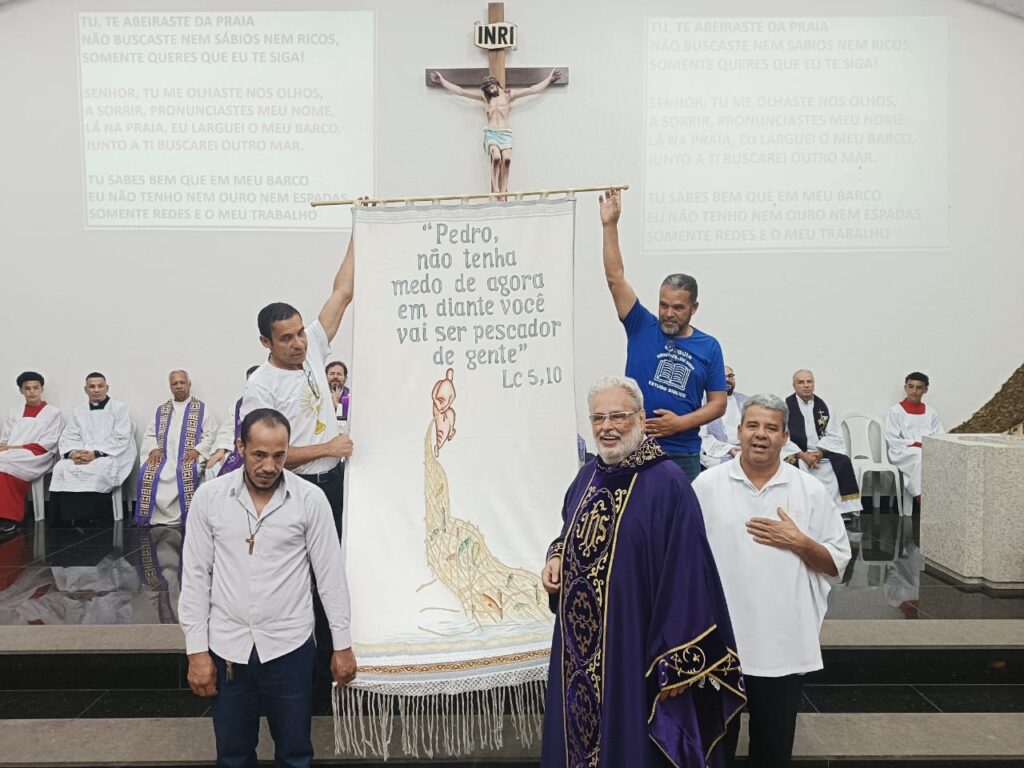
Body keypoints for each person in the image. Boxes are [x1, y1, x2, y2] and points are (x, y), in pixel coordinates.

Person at [540, 376, 744, 768]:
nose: (607, 426)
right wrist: (556, 557)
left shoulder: (667, 483)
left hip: (632, 651)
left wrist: (673, 660)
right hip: (578, 653)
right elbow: (569, 533)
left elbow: (688, 575)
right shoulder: (588, 476)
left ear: (640, 417)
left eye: (618, 415)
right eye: (598, 417)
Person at [179, 408, 356, 767]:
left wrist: (342, 645)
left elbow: (330, 576)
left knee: (294, 753)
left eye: (279, 455)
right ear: (240, 447)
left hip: (289, 648)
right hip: (228, 648)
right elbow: (195, 576)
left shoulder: (309, 500)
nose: (269, 466)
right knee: (233, 754)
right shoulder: (210, 498)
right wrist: (196, 651)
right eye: (259, 454)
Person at [693, 393, 851, 767]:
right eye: (752, 426)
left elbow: (835, 564)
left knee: (773, 749)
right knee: (715, 749)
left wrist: (799, 542)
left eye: (771, 428)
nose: (760, 435)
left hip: (782, 642)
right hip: (720, 644)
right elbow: (682, 559)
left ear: (784, 437)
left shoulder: (809, 490)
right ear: (739, 431)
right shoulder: (707, 486)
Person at [240, 233, 355, 714]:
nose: (298, 343)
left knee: (336, 576)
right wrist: (328, 447)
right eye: (285, 338)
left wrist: (359, 229)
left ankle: (336, 670)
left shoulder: (310, 351)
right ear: (266, 342)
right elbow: (268, 457)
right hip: (298, 491)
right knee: (302, 585)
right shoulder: (261, 387)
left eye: (300, 334)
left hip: (335, 482)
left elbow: (342, 291)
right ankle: (303, 691)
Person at [598, 189, 728, 482]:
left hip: (682, 453)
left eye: (678, 308)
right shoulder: (642, 325)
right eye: (664, 305)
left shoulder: (709, 346)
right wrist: (610, 226)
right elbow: (615, 277)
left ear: (694, 308)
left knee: (676, 524)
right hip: (634, 446)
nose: (668, 313)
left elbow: (718, 403)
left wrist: (680, 424)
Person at [430, 69, 562, 195]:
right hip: (492, 133)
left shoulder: (509, 95)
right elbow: (461, 92)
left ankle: (504, 189)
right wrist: (443, 81)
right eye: (487, 88)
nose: (489, 89)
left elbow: (531, 90)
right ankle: (496, 188)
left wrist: (549, 79)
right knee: (497, 158)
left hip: (505, 133)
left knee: (507, 160)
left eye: (490, 86)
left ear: (496, 83)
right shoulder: (485, 98)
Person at [49, 372, 136, 526]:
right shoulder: (79, 411)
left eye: (100, 386)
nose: (96, 390)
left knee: (99, 468)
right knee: (61, 467)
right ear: (85, 389)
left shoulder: (119, 408)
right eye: (92, 386)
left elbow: (121, 437)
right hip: (83, 453)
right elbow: (70, 435)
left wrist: (96, 454)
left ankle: (96, 517)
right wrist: (73, 453)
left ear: (106, 388)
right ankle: (66, 518)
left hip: (110, 454)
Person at [133, 370, 218, 526]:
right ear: (170, 387)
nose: (179, 386)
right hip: (163, 458)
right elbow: (150, 435)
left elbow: (210, 435)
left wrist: (197, 450)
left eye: (182, 382)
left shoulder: (201, 409)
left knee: (184, 471)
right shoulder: (161, 410)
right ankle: (151, 517)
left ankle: (188, 517)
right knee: (148, 472)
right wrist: (154, 449)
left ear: (189, 384)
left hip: (187, 457)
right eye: (175, 383)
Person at [783, 369, 863, 516]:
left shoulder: (824, 406)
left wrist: (820, 452)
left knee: (842, 462)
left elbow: (834, 434)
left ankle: (837, 511)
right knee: (798, 467)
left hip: (821, 452)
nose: (806, 385)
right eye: (801, 382)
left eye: (809, 381)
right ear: (794, 386)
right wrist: (802, 455)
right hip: (797, 453)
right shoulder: (785, 407)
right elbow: (782, 437)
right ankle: (804, 511)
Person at [0, 372, 64, 539]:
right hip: (13, 453)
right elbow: (5, 438)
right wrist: (5, 446)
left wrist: (14, 447)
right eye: (27, 388)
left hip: (38, 455)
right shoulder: (14, 412)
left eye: (36, 388)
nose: (32, 392)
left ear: (42, 388)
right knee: (3, 459)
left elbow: (50, 442)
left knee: (4, 460)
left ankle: (9, 518)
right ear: (21, 391)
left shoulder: (52, 413)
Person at [885, 371, 944, 503]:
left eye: (919, 388)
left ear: (925, 390)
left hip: (928, 447)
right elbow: (892, 437)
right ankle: (920, 496)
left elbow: (939, 434)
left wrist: (930, 445)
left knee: (943, 458)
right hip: (903, 451)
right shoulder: (895, 411)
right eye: (911, 387)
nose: (914, 391)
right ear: (905, 388)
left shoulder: (931, 412)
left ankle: (941, 498)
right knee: (919, 457)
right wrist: (916, 444)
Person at [206, 365, 260, 479]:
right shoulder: (238, 405)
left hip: (263, 451)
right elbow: (228, 429)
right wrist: (221, 449)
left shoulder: (274, 403)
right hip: (240, 450)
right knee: (213, 468)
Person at [700, 365, 747, 468]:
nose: (727, 380)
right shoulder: (704, 403)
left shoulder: (746, 401)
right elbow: (702, 436)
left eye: (730, 376)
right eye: (722, 376)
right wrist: (729, 449)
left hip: (746, 450)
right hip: (717, 454)